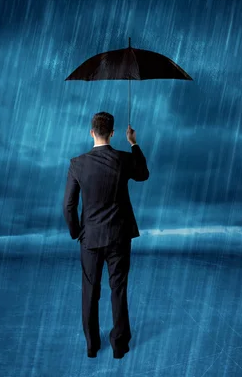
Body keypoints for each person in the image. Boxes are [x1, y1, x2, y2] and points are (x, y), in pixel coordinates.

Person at [63, 111, 150, 359]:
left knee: (90, 291)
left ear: (91, 131)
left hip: (89, 238)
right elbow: (144, 174)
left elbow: (68, 205)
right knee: (118, 289)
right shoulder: (123, 159)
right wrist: (133, 143)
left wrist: (76, 233)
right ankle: (119, 346)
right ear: (112, 133)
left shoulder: (77, 164)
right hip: (119, 237)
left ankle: (92, 345)